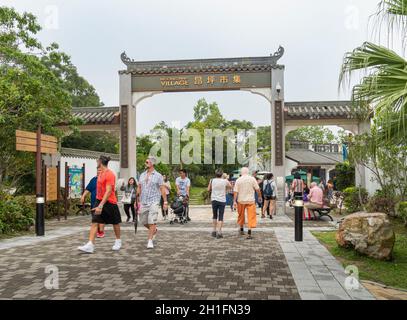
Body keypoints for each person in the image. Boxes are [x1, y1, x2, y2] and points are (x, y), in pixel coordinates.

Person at [78, 156, 122, 253]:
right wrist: (97, 203)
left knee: (115, 223)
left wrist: (101, 205)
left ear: (101, 162)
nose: (96, 162)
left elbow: (109, 191)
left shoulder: (110, 174)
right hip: (99, 200)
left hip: (110, 202)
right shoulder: (100, 174)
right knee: (95, 222)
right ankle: (90, 244)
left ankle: (118, 241)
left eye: (98, 161)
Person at [138, 156, 168, 249]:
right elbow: (139, 187)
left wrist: (165, 202)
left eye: (147, 162)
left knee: (151, 221)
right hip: (143, 201)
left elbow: (162, 189)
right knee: (143, 221)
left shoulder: (158, 176)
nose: (145, 163)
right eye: (145, 162)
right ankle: (154, 230)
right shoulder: (142, 175)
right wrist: (136, 200)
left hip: (154, 201)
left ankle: (150, 240)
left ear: (152, 163)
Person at [233, 167, 262, 240]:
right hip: (250, 201)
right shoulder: (252, 179)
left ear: (241, 173)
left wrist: (234, 201)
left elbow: (235, 192)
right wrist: (259, 196)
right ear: (248, 172)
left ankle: (242, 229)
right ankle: (249, 231)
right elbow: (257, 189)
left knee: (241, 215)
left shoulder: (238, 180)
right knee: (251, 216)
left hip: (241, 200)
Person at [80, 168, 105, 238]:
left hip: (102, 201)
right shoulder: (93, 179)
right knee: (95, 217)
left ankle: (101, 231)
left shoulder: (105, 179)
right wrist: (83, 196)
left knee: (101, 217)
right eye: (97, 170)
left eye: (100, 170)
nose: (98, 171)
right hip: (94, 201)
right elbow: (88, 189)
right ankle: (97, 230)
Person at [208, 169, 232, 239]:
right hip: (222, 200)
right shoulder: (225, 181)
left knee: (215, 215)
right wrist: (225, 187)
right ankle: (219, 232)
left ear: (215, 174)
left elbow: (208, 189)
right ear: (222, 174)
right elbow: (230, 186)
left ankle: (214, 230)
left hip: (214, 199)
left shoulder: (212, 180)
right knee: (221, 216)